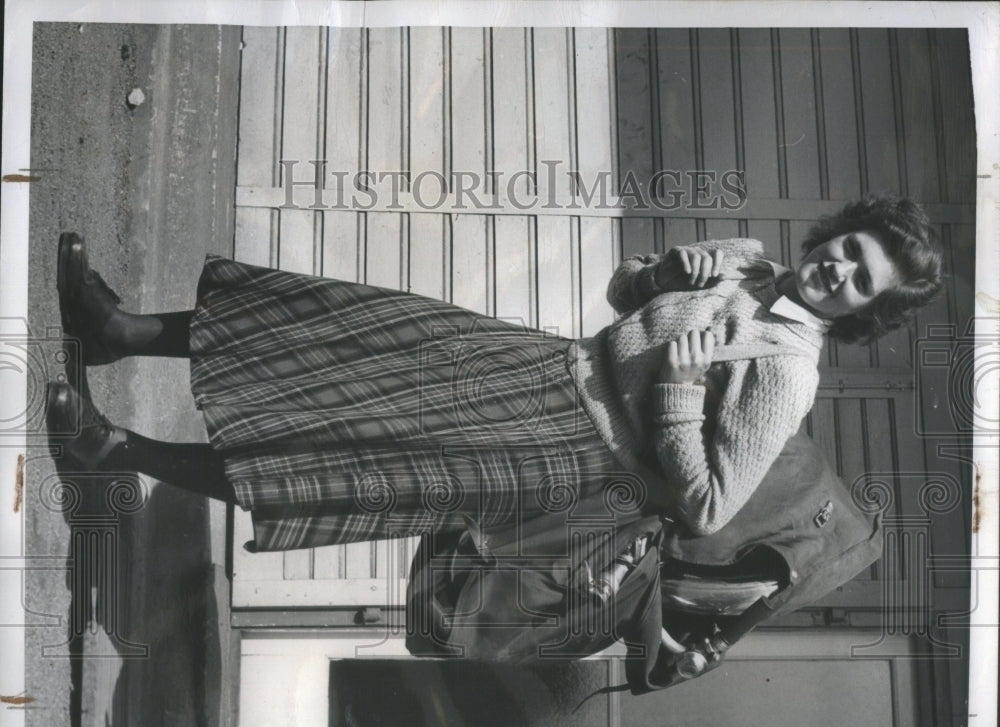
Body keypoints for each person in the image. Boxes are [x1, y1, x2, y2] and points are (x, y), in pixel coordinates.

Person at [46, 194, 943, 554]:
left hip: (569, 456)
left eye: (862, 281)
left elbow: (705, 506)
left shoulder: (787, 369)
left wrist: (674, 391)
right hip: (549, 365)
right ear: (836, 231)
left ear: (865, 311)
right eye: (850, 249)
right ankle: (120, 330)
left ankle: (117, 450)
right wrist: (664, 273)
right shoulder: (750, 264)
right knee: (348, 330)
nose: (840, 270)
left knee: (343, 458)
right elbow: (623, 295)